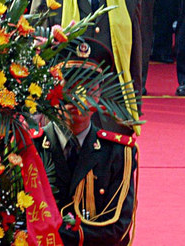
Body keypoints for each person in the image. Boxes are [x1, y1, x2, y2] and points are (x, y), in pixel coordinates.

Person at [30, 0, 142, 135]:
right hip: (62, 108)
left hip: (112, 110)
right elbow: (35, 58)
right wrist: (37, 110)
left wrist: (134, 104)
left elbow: (135, 59)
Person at [32, 75, 137, 246]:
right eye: (68, 88)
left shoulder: (118, 152)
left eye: (88, 90)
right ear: (52, 90)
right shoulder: (29, 147)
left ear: (99, 94)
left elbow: (118, 227)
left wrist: (57, 234)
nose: (77, 98)